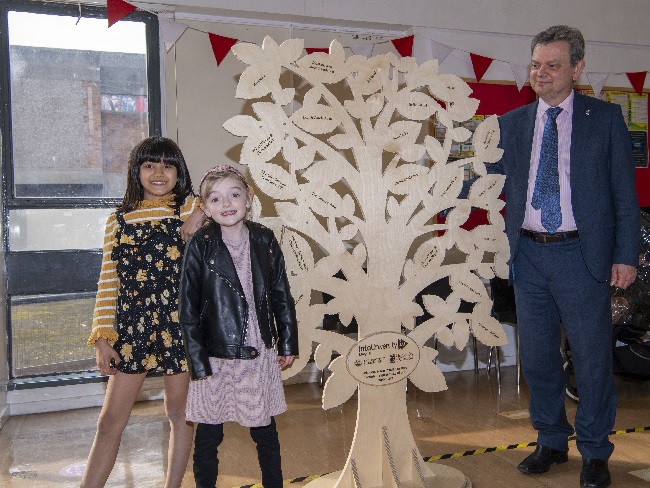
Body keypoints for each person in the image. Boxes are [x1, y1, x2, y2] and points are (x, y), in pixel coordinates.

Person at [490, 26, 639, 488]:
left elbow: (623, 195)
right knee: (535, 358)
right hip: (529, 256)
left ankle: (595, 450)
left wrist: (626, 255)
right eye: (535, 64)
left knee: (593, 359)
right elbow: (484, 182)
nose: (541, 73)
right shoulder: (512, 123)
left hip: (582, 255)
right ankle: (551, 440)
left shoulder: (606, 118)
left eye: (553, 65)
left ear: (577, 69)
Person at [82, 136, 205, 488]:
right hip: (132, 329)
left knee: (180, 415)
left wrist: (202, 211)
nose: (158, 172)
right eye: (149, 164)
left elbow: (240, 192)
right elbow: (108, 280)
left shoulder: (186, 207)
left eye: (168, 165)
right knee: (109, 422)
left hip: (179, 326)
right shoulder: (118, 221)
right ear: (136, 171)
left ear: (178, 172)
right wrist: (103, 337)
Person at [179, 165, 298, 488]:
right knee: (208, 436)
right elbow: (187, 310)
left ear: (249, 198)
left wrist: (287, 342)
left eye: (234, 194)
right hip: (215, 354)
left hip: (257, 350)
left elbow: (280, 294)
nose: (227, 203)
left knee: (265, 432)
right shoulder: (201, 244)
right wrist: (198, 363)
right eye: (216, 199)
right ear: (204, 208)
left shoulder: (264, 239)